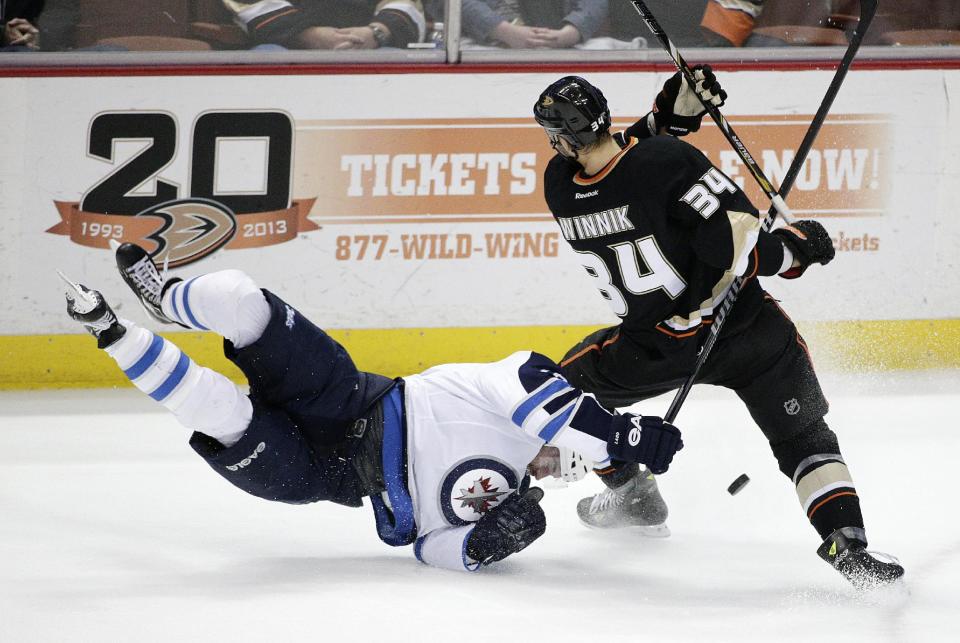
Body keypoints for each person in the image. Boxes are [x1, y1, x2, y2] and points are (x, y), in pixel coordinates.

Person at [60, 242, 684, 572]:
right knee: (238, 297)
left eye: (557, 477)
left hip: (324, 477)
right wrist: (625, 438)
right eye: (563, 461)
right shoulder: (516, 381)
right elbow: (547, 404)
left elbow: (428, 547)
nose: (546, 473)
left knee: (221, 414)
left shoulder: (507, 489)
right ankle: (169, 297)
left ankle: (110, 334)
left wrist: (482, 546)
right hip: (348, 398)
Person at [532, 71, 905, 588]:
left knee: (555, 393)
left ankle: (628, 491)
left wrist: (672, 115)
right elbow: (734, 250)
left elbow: (631, 168)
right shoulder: (667, 162)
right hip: (746, 330)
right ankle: (847, 542)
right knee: (802, 436)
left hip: (653, 348)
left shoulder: (559, 184)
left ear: (559, 140)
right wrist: (798, 247)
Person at [222, 0, 426, 50]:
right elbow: (247, 4)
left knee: (396, 66)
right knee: (264, 63)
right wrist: (309, 35)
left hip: (369, 48)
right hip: (287, 46)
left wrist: (377, 33)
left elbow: (406, 5)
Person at [436, 0, 608, 49]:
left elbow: (594, 4)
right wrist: (501, 30)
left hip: (559, 48)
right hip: (481, 49)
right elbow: (450, 4)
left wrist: (572, 32)